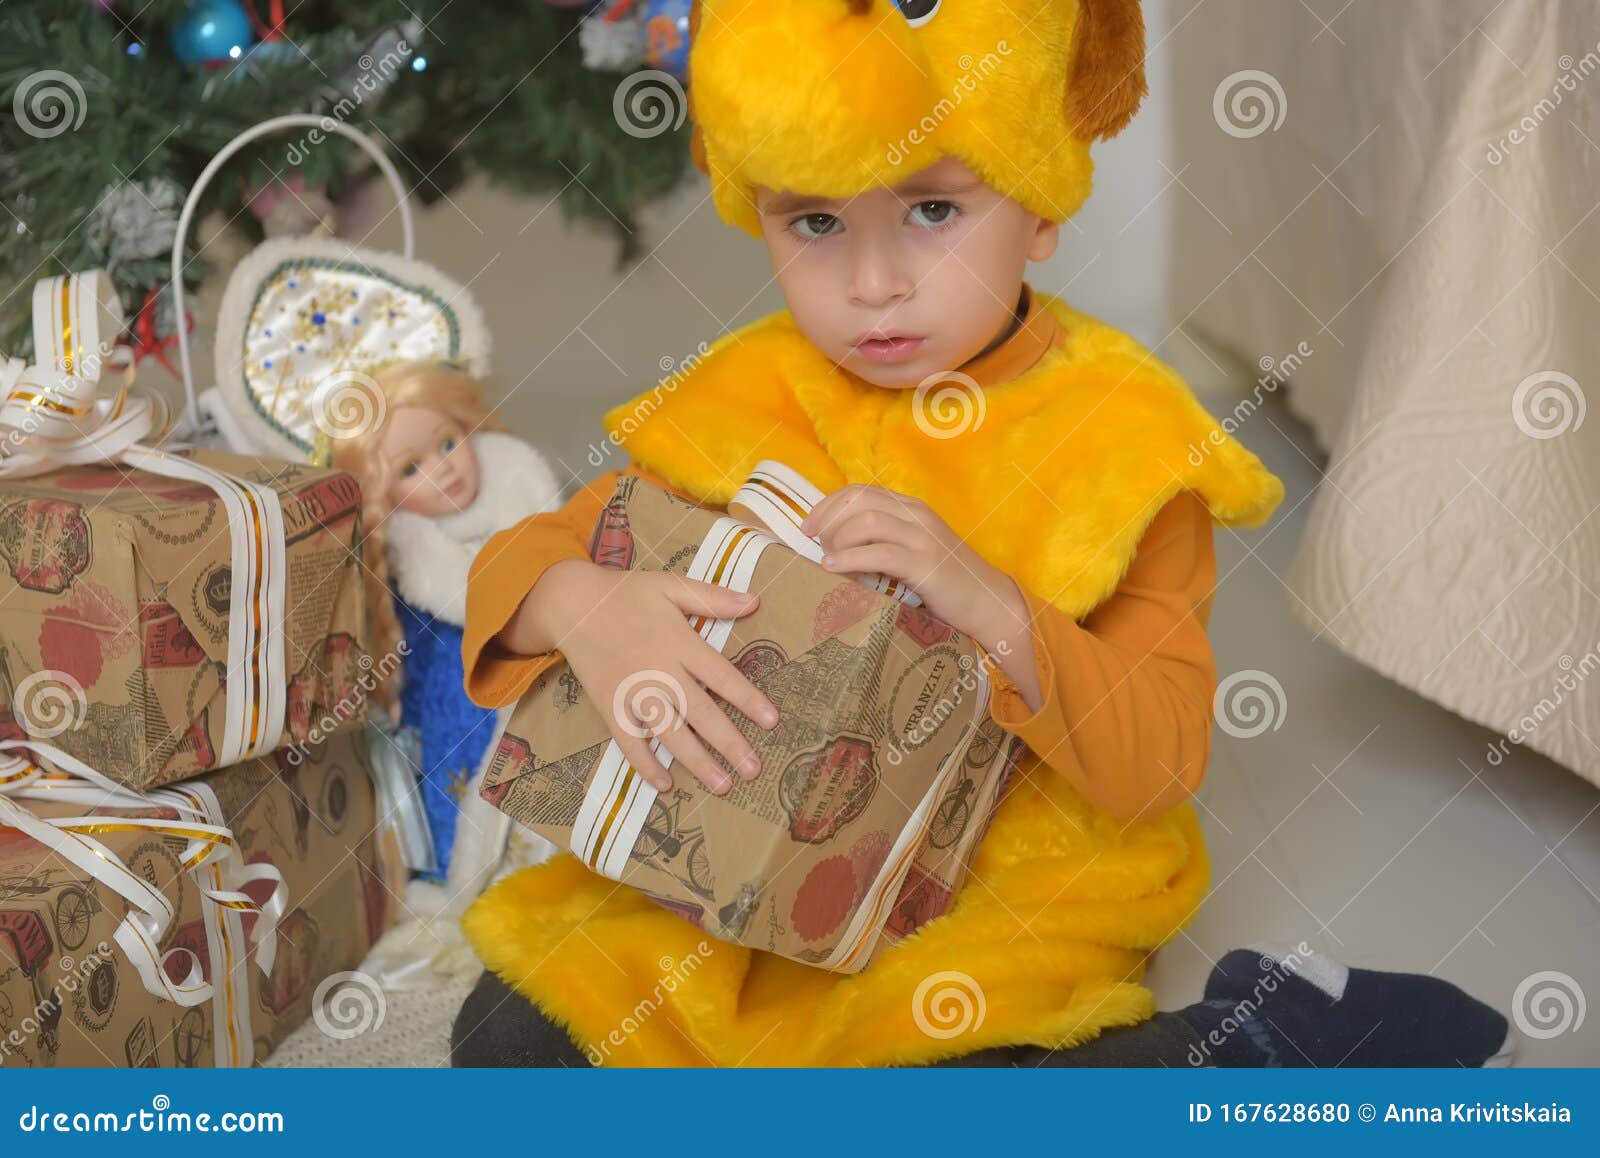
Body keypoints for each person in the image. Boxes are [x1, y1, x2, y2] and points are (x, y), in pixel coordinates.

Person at [449, 0, 1512, 1067]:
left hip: (993, 887)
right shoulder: (740, 394)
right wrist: (581, 604)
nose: (874, 284)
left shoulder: (1123, 438)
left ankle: (1264, 1038)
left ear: (1037, 204)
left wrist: (995, 607)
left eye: (932, 210)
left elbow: (1159, 759)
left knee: (963, 1086)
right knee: (509, 1044)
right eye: (814, 223)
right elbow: (523, 556)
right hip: (726, 861)